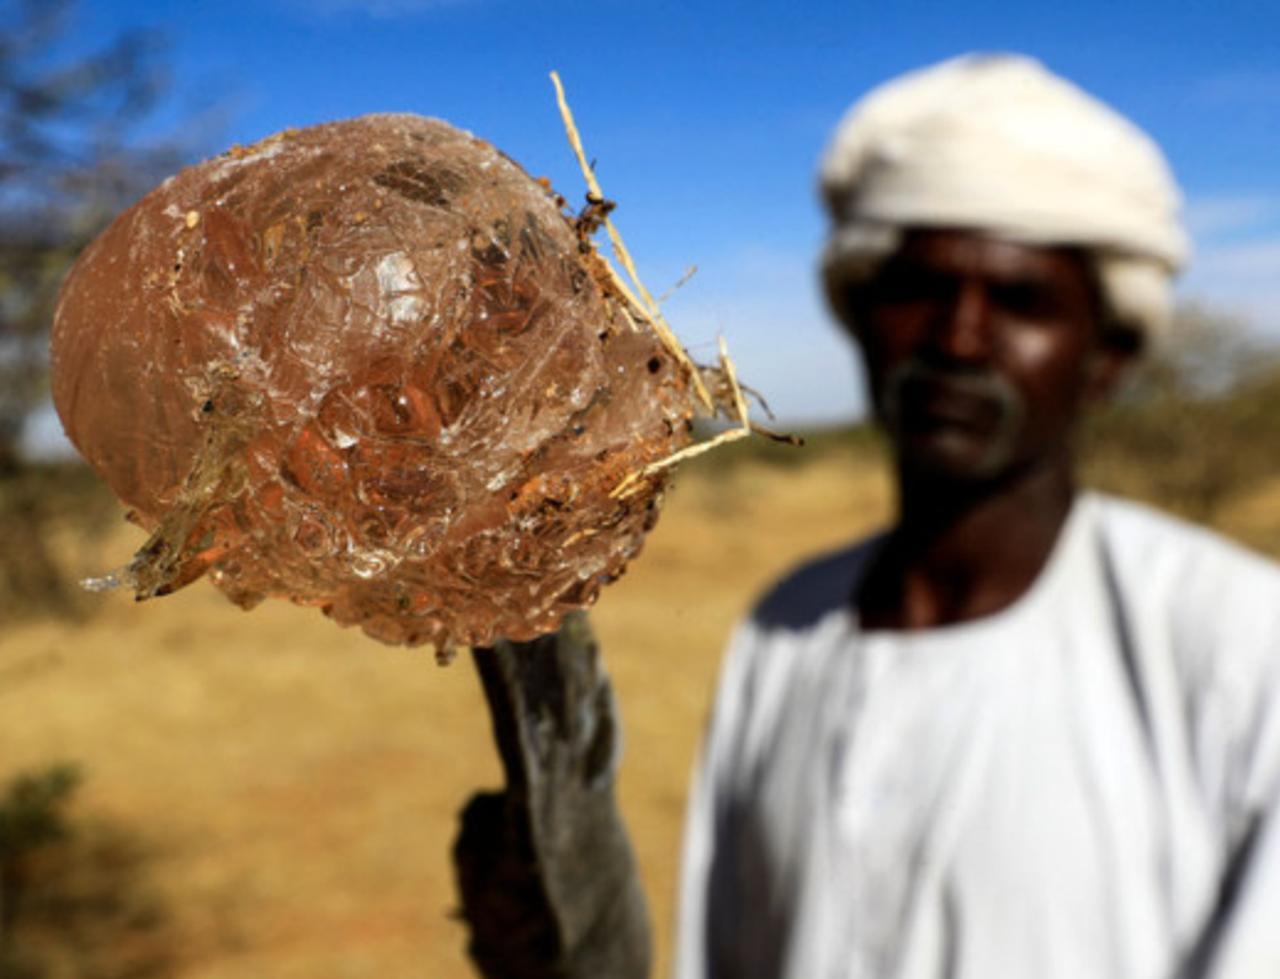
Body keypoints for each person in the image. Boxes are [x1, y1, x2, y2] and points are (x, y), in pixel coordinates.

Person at [674, 54, 1280, 979]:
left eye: (1022, 301)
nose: (958, 338)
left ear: (1107, 356)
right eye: (919, 290)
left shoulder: (1239, 645)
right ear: (862, 317)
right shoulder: (784, 628)